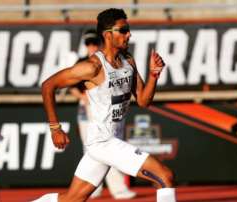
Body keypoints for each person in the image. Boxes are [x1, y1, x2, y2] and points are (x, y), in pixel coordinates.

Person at [34, 8, 176, 202]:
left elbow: (143, 101)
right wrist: (54, 127)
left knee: (71, 199)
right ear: (108, 35)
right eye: (123, 30)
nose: (129, 34)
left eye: (128, 29)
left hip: (108, 141)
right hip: (103, 143)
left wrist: (153, 76)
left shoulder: (128, 61)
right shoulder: (92, 67)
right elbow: (47, 85)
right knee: (164, 176)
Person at [69, 29, 136, 199]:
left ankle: (118, 189)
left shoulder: (105, 61)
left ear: (99, 43)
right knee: (90, 149)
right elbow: (70, 86)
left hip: (105, 109)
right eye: (88, 43)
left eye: (94, 43)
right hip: (86, 110)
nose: (91, 46)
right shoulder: (82, 62)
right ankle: (92, 188)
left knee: (111, 146)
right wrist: (82, 96)